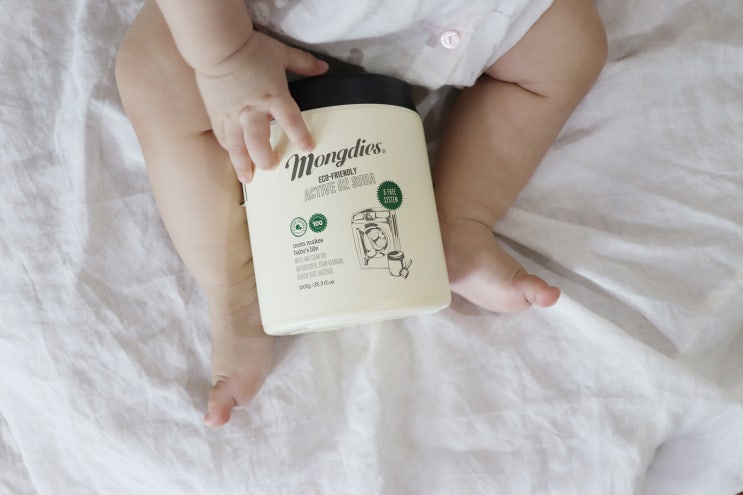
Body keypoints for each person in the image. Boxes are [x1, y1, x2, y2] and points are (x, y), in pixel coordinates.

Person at [115, 0, 607, 428]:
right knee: (156, 70)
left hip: (454, 20)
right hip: (250, 27)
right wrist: (225, 62)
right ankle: (237, 295)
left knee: (569, 46)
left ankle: (457, 224)